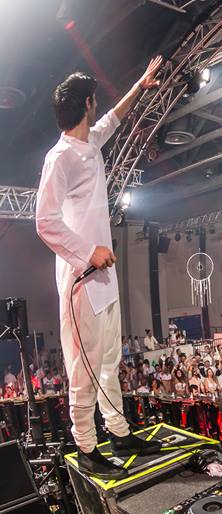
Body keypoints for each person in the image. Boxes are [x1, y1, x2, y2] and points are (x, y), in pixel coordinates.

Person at [36, 57, 164, 479]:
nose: (99, 109)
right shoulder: (60, 158)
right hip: (82, 280)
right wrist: (87, 252)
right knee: (84, 368)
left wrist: (141, 86)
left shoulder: (88, 144)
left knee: (110, 361)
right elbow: (45, 221)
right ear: (87, 103)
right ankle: (87, 444)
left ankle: (119, 431)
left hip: (104, 279)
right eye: (96, 102)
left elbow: (113, 119)